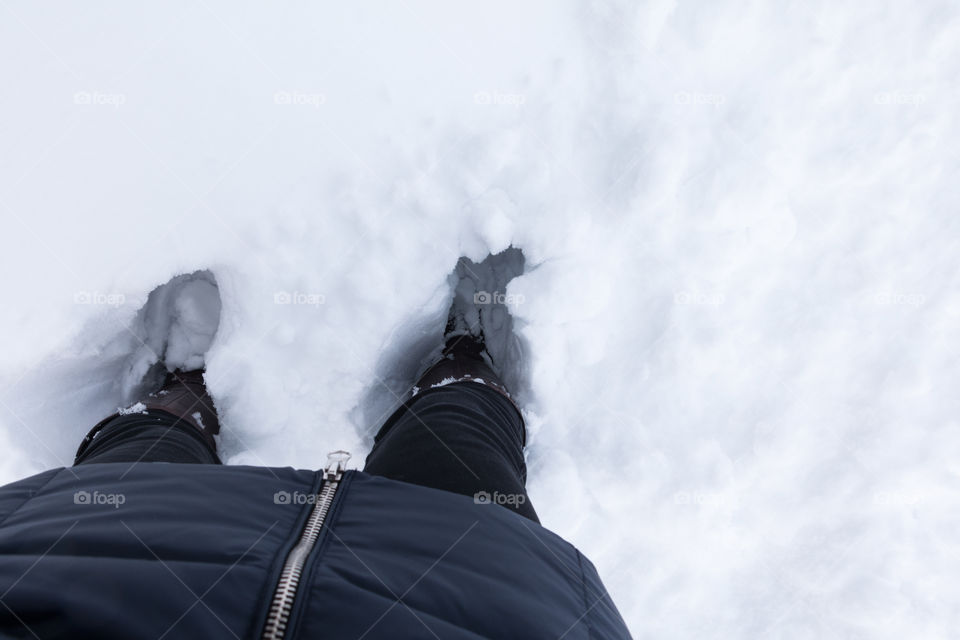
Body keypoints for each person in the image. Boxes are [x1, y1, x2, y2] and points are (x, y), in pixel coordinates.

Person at [0, 270, 631, 639]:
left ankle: (179, 401)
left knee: (141, 464)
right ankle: (463, 370)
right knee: (460, 441)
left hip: (96, 582)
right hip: (474, 601)